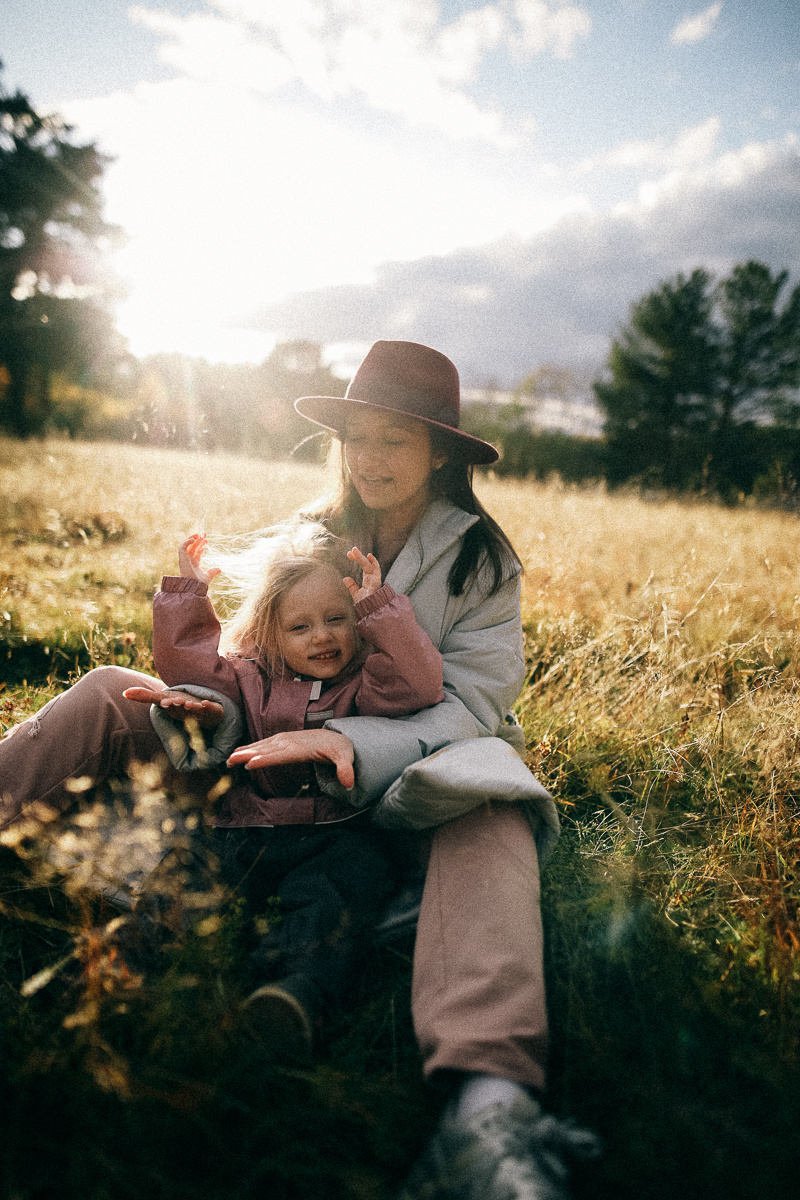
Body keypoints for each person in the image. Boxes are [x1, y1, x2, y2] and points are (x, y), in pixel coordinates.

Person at [0, 339, 595, 1199]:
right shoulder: (309, 534)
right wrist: (213, 717)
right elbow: (248, 657)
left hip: (393, 789)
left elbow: (473, 705)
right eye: (358, 434)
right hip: (247, 779)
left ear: (440, 451)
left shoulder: (480, 561)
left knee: (497, 793)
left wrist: (348, 746)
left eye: (396, 438)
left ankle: (486, 1108)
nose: (371, 457)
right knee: (106, 691)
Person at [121, 520, 444, 1050]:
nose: (322, 636)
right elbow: (194, 667)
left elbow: (418, 683)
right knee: (190, 868)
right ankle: (130, 961)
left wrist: (378, 609)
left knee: (335, 894)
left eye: (337, 619)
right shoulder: (249, 675)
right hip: (245, 823)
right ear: (271, 633)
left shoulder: (366, 682)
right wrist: (189, 595)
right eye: (300, 627)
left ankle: (294, 995)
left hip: (336, 831)